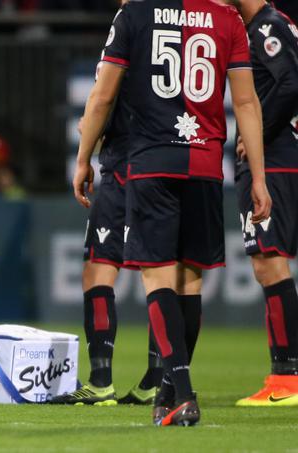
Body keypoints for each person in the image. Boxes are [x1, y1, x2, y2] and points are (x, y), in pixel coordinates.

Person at [73, 0, 271, 426]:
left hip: (151, 162)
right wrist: (257, 177)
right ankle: (167, 392)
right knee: (190, 282)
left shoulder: (135, 14)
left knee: (159, 278)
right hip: (204, 166)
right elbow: (248, 103)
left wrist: (82, 158)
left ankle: (181, 392)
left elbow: (103, 94)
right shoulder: (228, 19)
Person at [51, 7, 163, 404]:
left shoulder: (130, 20)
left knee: (100, 268)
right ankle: (159, 378)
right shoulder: (184, 20)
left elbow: (104, 95)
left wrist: (86, 148)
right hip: (170, 162)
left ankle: (101, 381)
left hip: (125, 162)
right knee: (169, 273)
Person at [228, 0, 298, 407]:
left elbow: (291, 83)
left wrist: (259, 131)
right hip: (284, 159)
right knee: (272, 264)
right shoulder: (276, 23)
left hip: (275, 161)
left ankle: (286, 377)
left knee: (268, 263)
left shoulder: (265, 28)